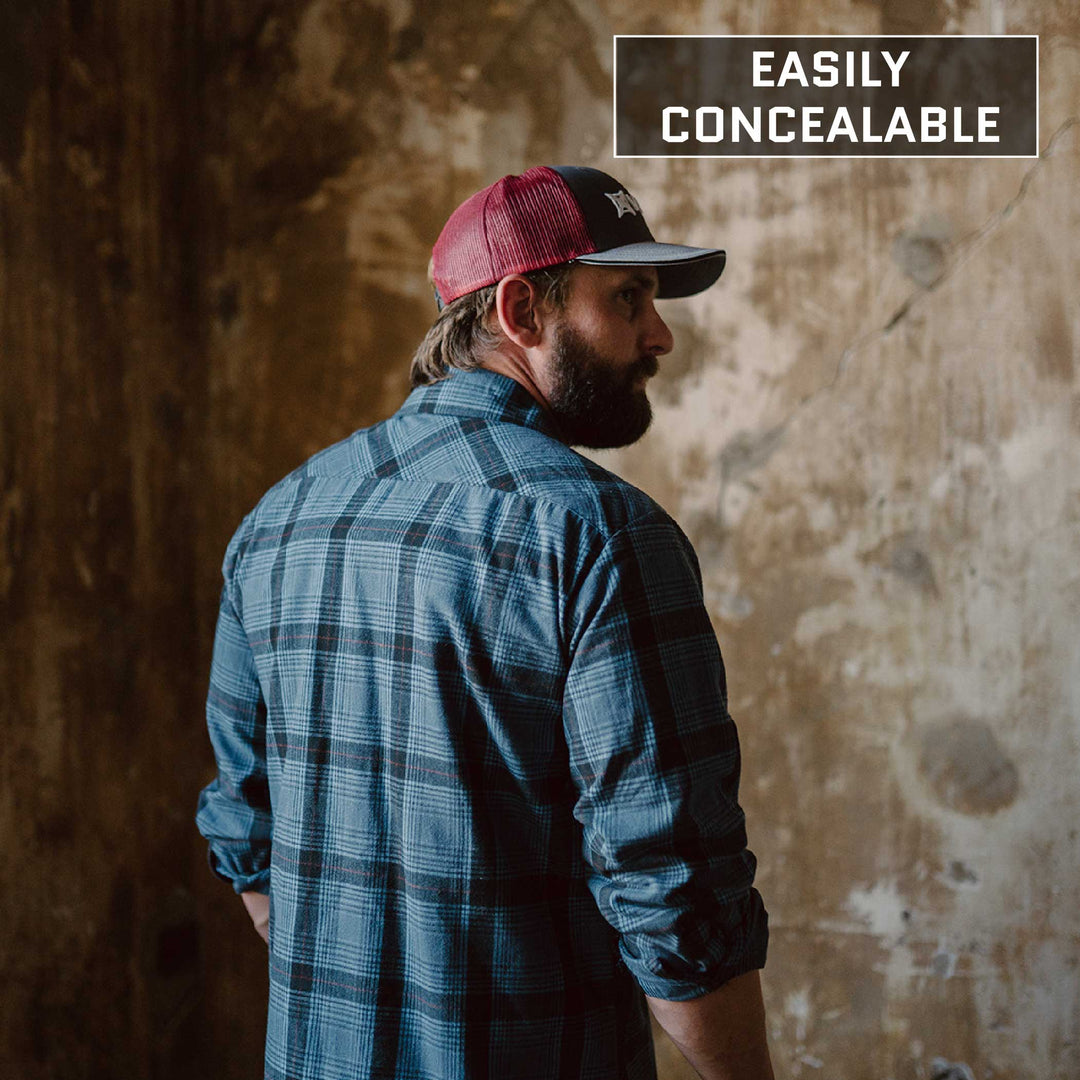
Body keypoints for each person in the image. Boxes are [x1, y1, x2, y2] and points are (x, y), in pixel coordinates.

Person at [197, 165, 773, 1080]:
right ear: (521, 311)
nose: (658, 335)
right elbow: (673, 889)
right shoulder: (602, 533)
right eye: (628, 298)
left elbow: (244, 827)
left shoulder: (278, 518)